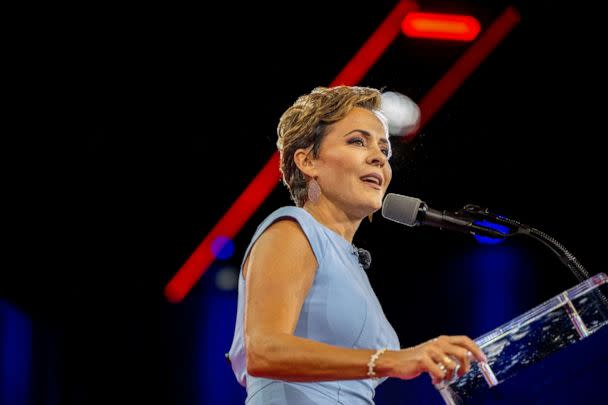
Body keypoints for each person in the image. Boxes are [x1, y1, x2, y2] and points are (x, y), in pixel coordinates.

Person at [227, 85, 487, 404]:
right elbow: (264, 351)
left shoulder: (347, 261)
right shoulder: (292, 229)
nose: (379, 157)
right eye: (357, 141)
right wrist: (395, 359)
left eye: (384, 150)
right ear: (308, 161)